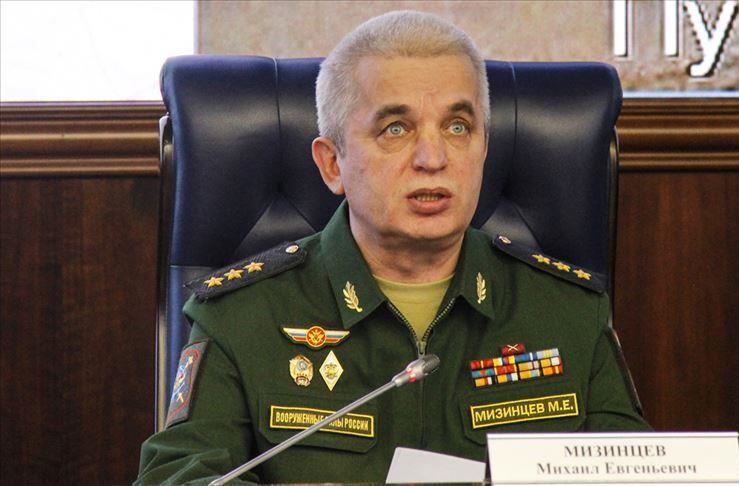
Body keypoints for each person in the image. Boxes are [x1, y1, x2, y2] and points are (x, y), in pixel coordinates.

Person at [136, 10, 650, 484]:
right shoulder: (242, 317)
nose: (433, 158)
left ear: (483, 149)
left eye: (458, 127)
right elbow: (180, 477)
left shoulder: (568, 314)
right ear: (332, 164)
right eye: (396, 129)